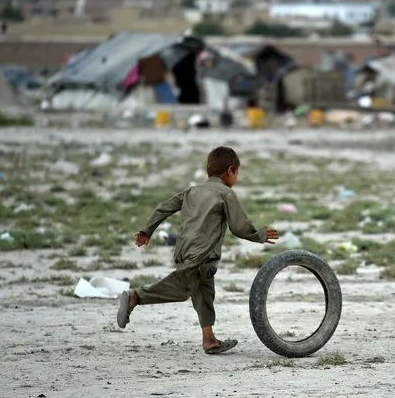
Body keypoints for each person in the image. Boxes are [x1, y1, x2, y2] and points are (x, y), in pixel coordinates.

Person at [117, 146, 280, 354]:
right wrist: (260, 235)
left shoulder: (191, 191)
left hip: (185, 250)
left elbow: (163, 208)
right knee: (181, 288)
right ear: (230, 171)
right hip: (202, 254)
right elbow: (239, 227)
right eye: (237, 172)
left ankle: (209, 339)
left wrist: (146, 231)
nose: (237, 177)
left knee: (203, 291)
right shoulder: (226, 193)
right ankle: (136, 297)